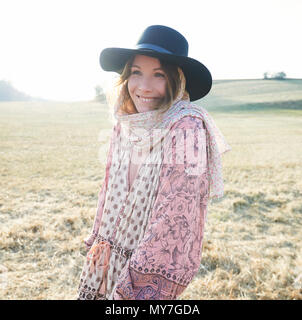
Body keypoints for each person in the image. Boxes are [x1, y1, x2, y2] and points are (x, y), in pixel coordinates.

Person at [77, 25, 231, 300]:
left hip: (143, 281)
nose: (144, 87)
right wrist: (97, 250)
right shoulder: (125, 123)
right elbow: (106, 193)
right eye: (136, 72)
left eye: (158, 75)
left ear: (177, 81)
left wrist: (129, 288)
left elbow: (173, 223)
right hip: (104, 267)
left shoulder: (186, 128)